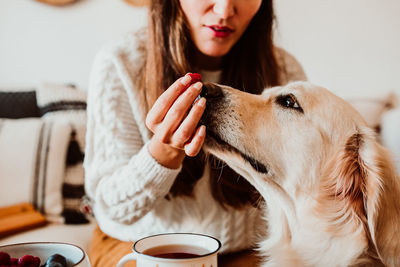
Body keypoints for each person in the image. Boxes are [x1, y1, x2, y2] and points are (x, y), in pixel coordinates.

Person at [84, 0, 306, 266]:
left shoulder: (284, 72)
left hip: (248, 250)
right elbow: (112, 208)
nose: (224, 11)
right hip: (139, 247)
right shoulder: (120, 64)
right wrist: (162, 153)